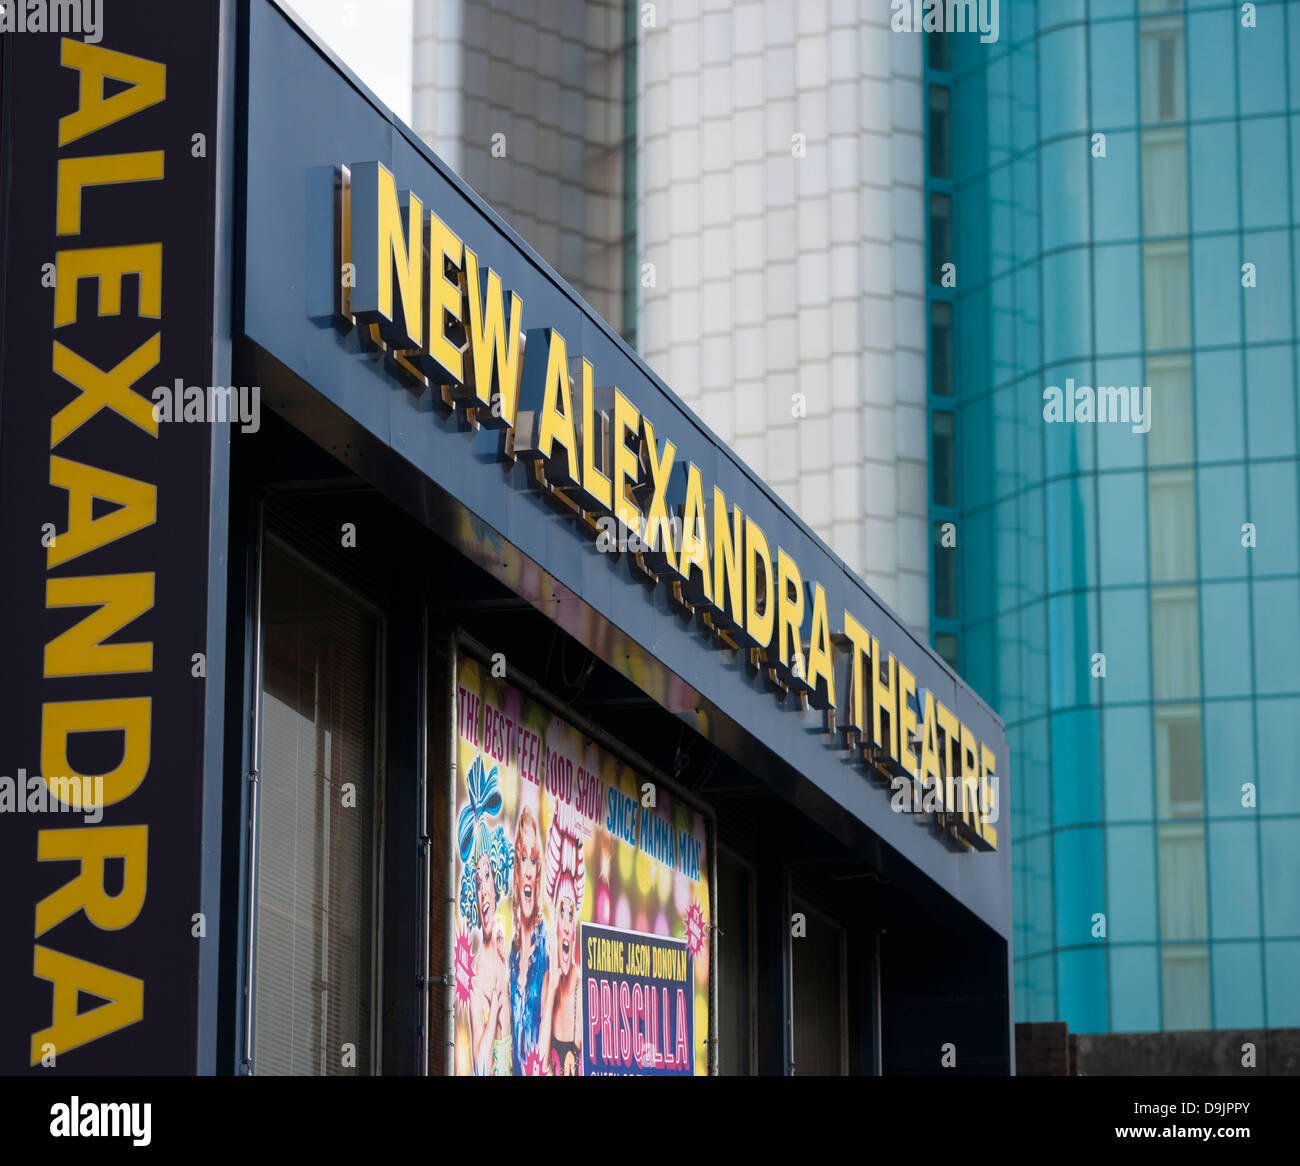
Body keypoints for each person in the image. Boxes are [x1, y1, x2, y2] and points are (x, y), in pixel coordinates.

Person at [457, 754, 513, 1075]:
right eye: (477, 882)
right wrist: (494, 1010)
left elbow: (505, 1063)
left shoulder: (503, 960)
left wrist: (504, 992)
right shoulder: (478, 976)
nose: (483, 890)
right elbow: (481, 1068)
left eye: (487, 876)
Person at [538, 801, 585, 1076]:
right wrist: (553, 986)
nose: (566, 925)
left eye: (571, 915)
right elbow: (542, 1065)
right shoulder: (549, 982)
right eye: (561, 913)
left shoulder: (581, 989)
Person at [509, 803, 548, 1074]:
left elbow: (545, 1045)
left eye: (533, 860)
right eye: (524, 858)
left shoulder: (547, 945)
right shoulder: (510, 953)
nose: (529, 869)